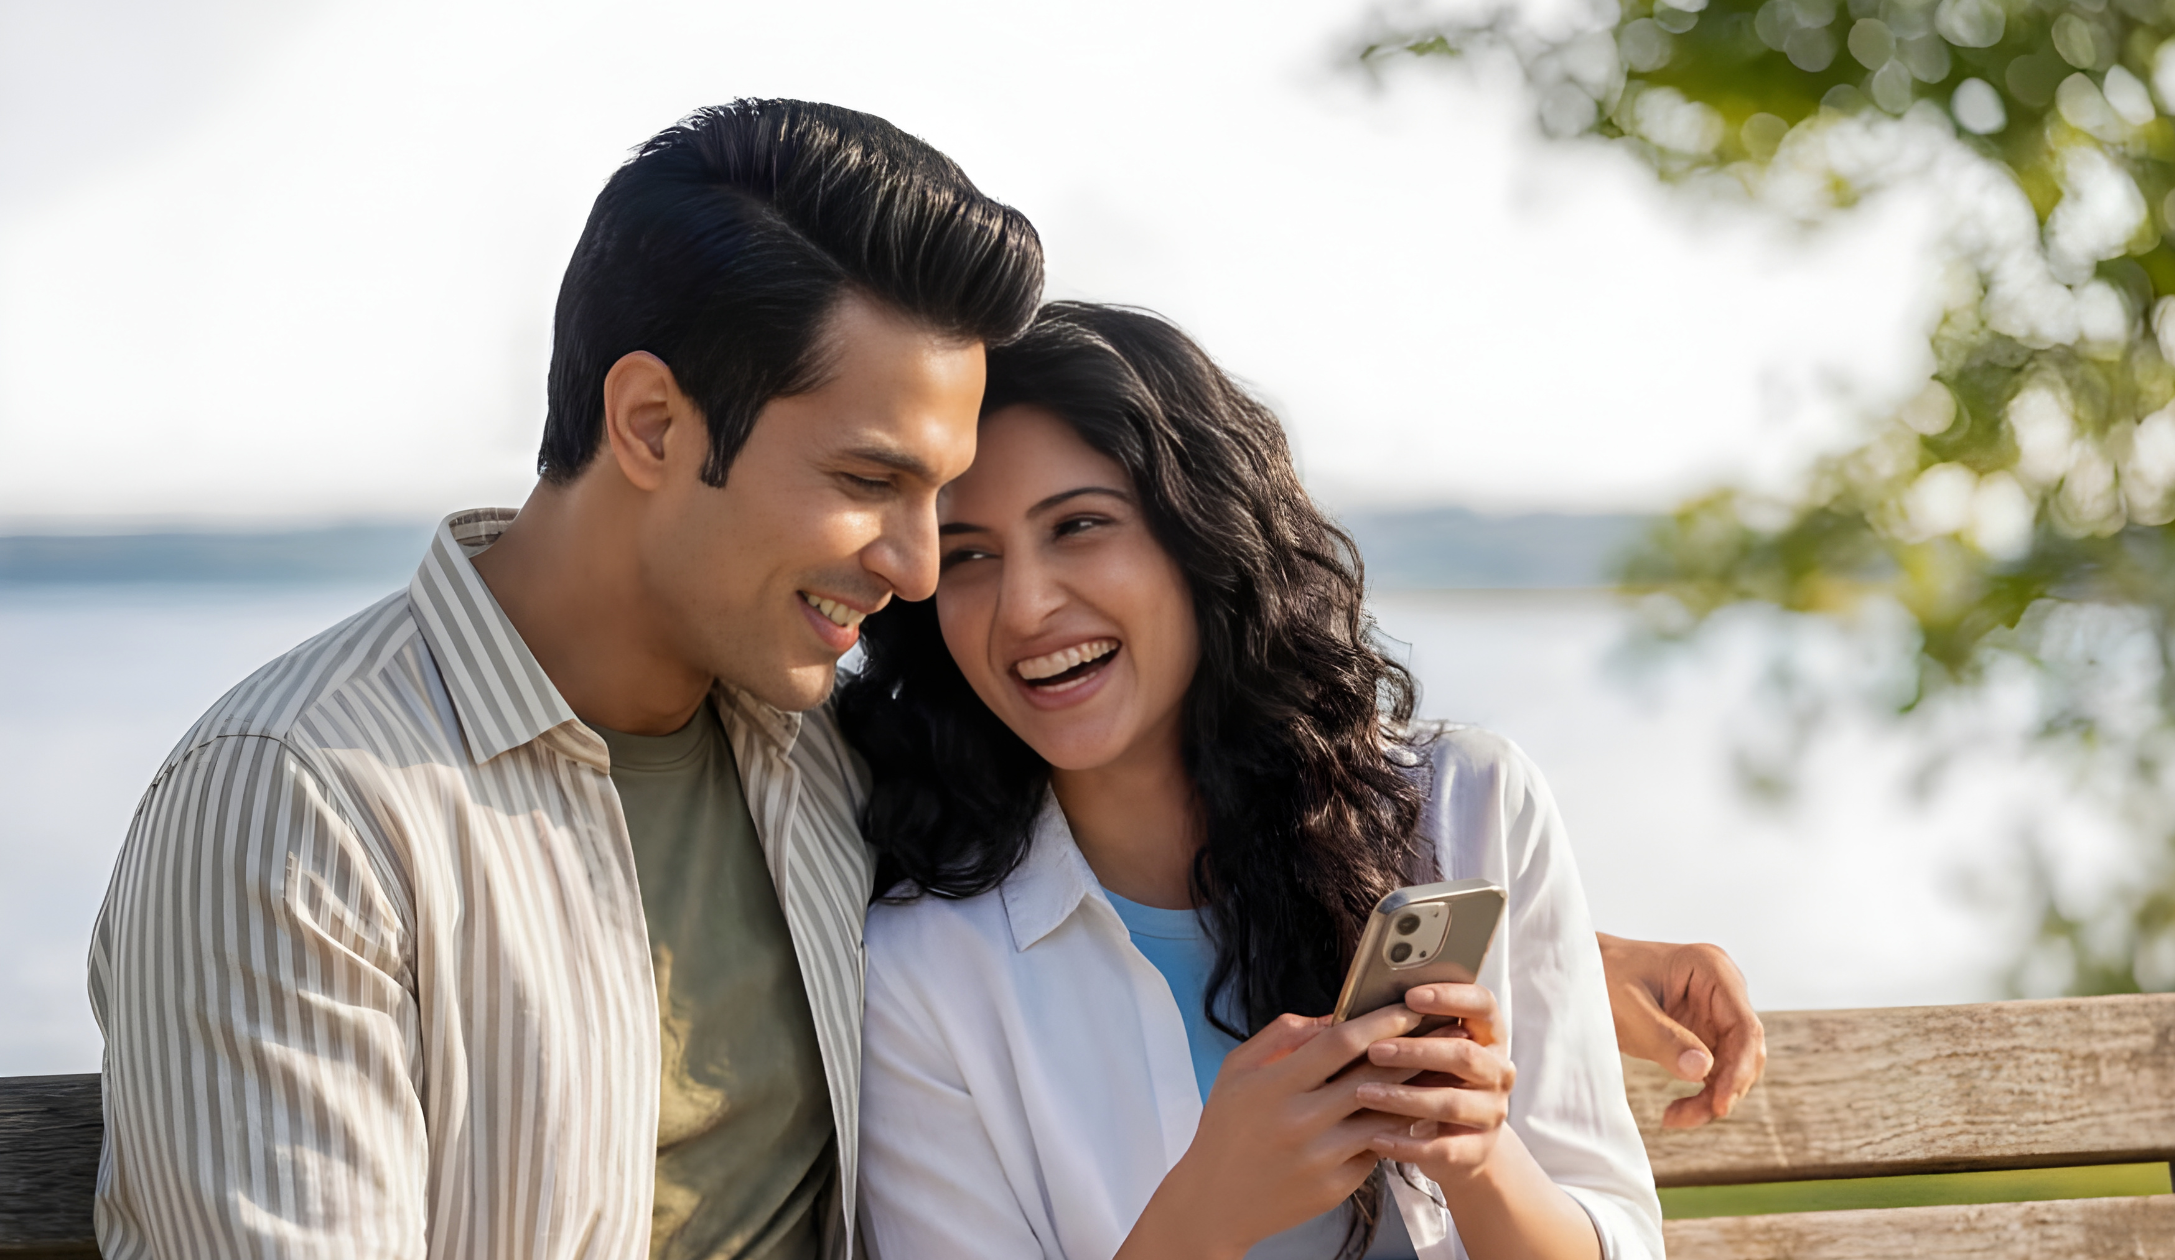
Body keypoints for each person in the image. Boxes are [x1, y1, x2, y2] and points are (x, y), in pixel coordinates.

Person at [86, 98, 1759, 1260]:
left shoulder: (804, 746)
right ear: (654, 425)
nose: (909, 574)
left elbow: (1154, 848)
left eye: (934, 510)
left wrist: (1545, 953)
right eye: (882, 490)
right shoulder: (300, 809)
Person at [842, 304, 1663, 1259]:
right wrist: (1206, 1211)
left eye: (1079, 526)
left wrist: (1479, 1160)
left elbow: (1616, 1236)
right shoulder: (925, 967)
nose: (1023, 608)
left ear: (1204, 539)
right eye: (971, 554)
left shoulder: (1467, 807)